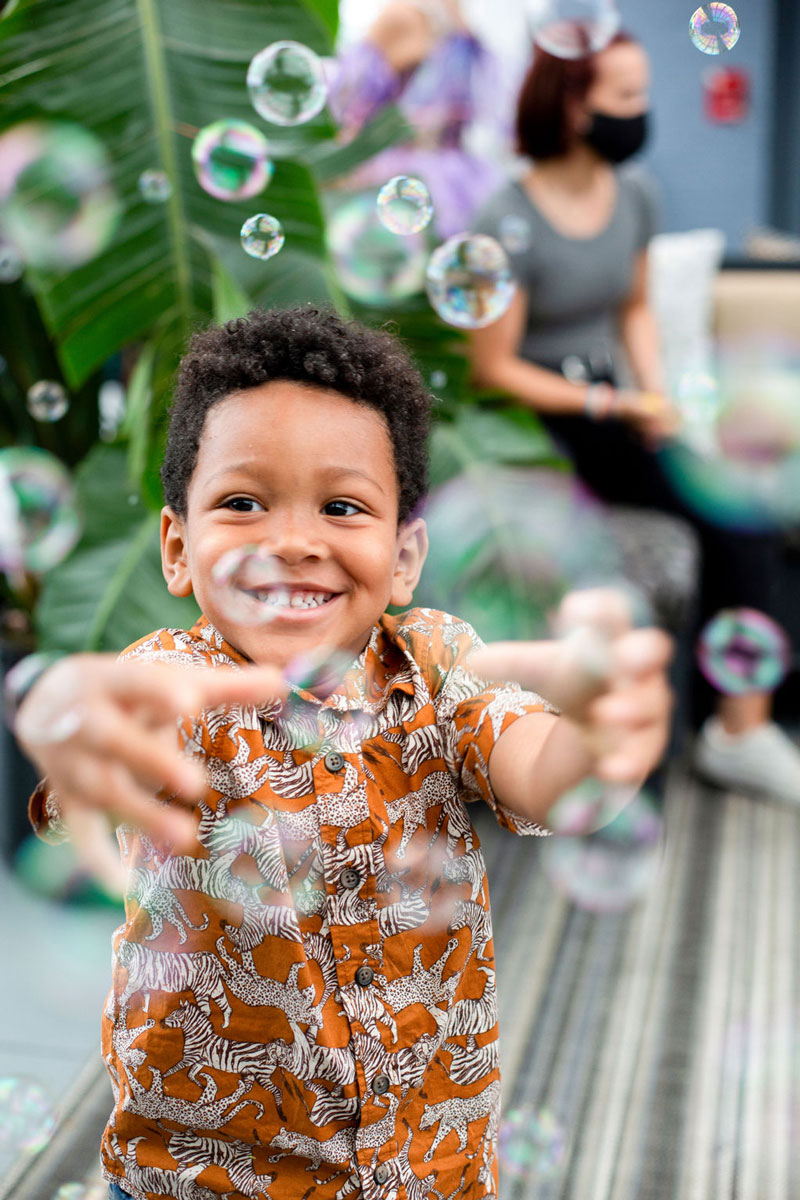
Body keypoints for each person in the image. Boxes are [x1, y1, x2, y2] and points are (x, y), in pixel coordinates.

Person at [18, 306, 672, 1200]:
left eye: (342, 506)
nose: (293, 541)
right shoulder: (172, 680)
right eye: (243, 503)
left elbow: (541, 772)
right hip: (207, 1181)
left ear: (404, 558)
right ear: (178, 548)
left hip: (429, 1172)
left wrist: (593, 733)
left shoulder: (437, 664)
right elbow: (109, 737)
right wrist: (55, 704)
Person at [469, 31, 800, 805]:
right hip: (532, 427)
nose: (641, 114)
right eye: (624, 99)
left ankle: (739, 735)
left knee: (740, 517)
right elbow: (495, 367)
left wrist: (655, 398)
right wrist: (605, 402)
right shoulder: (505, 214)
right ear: (572, 105)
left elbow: (637, 308)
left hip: (615, 409)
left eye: (643, 96)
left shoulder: (637, 196)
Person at [328, 0, 507, 236]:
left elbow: (347, 104)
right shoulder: (410, 15)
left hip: (444, 183)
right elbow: (350, 109)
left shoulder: (454, 17)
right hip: (419, 188)